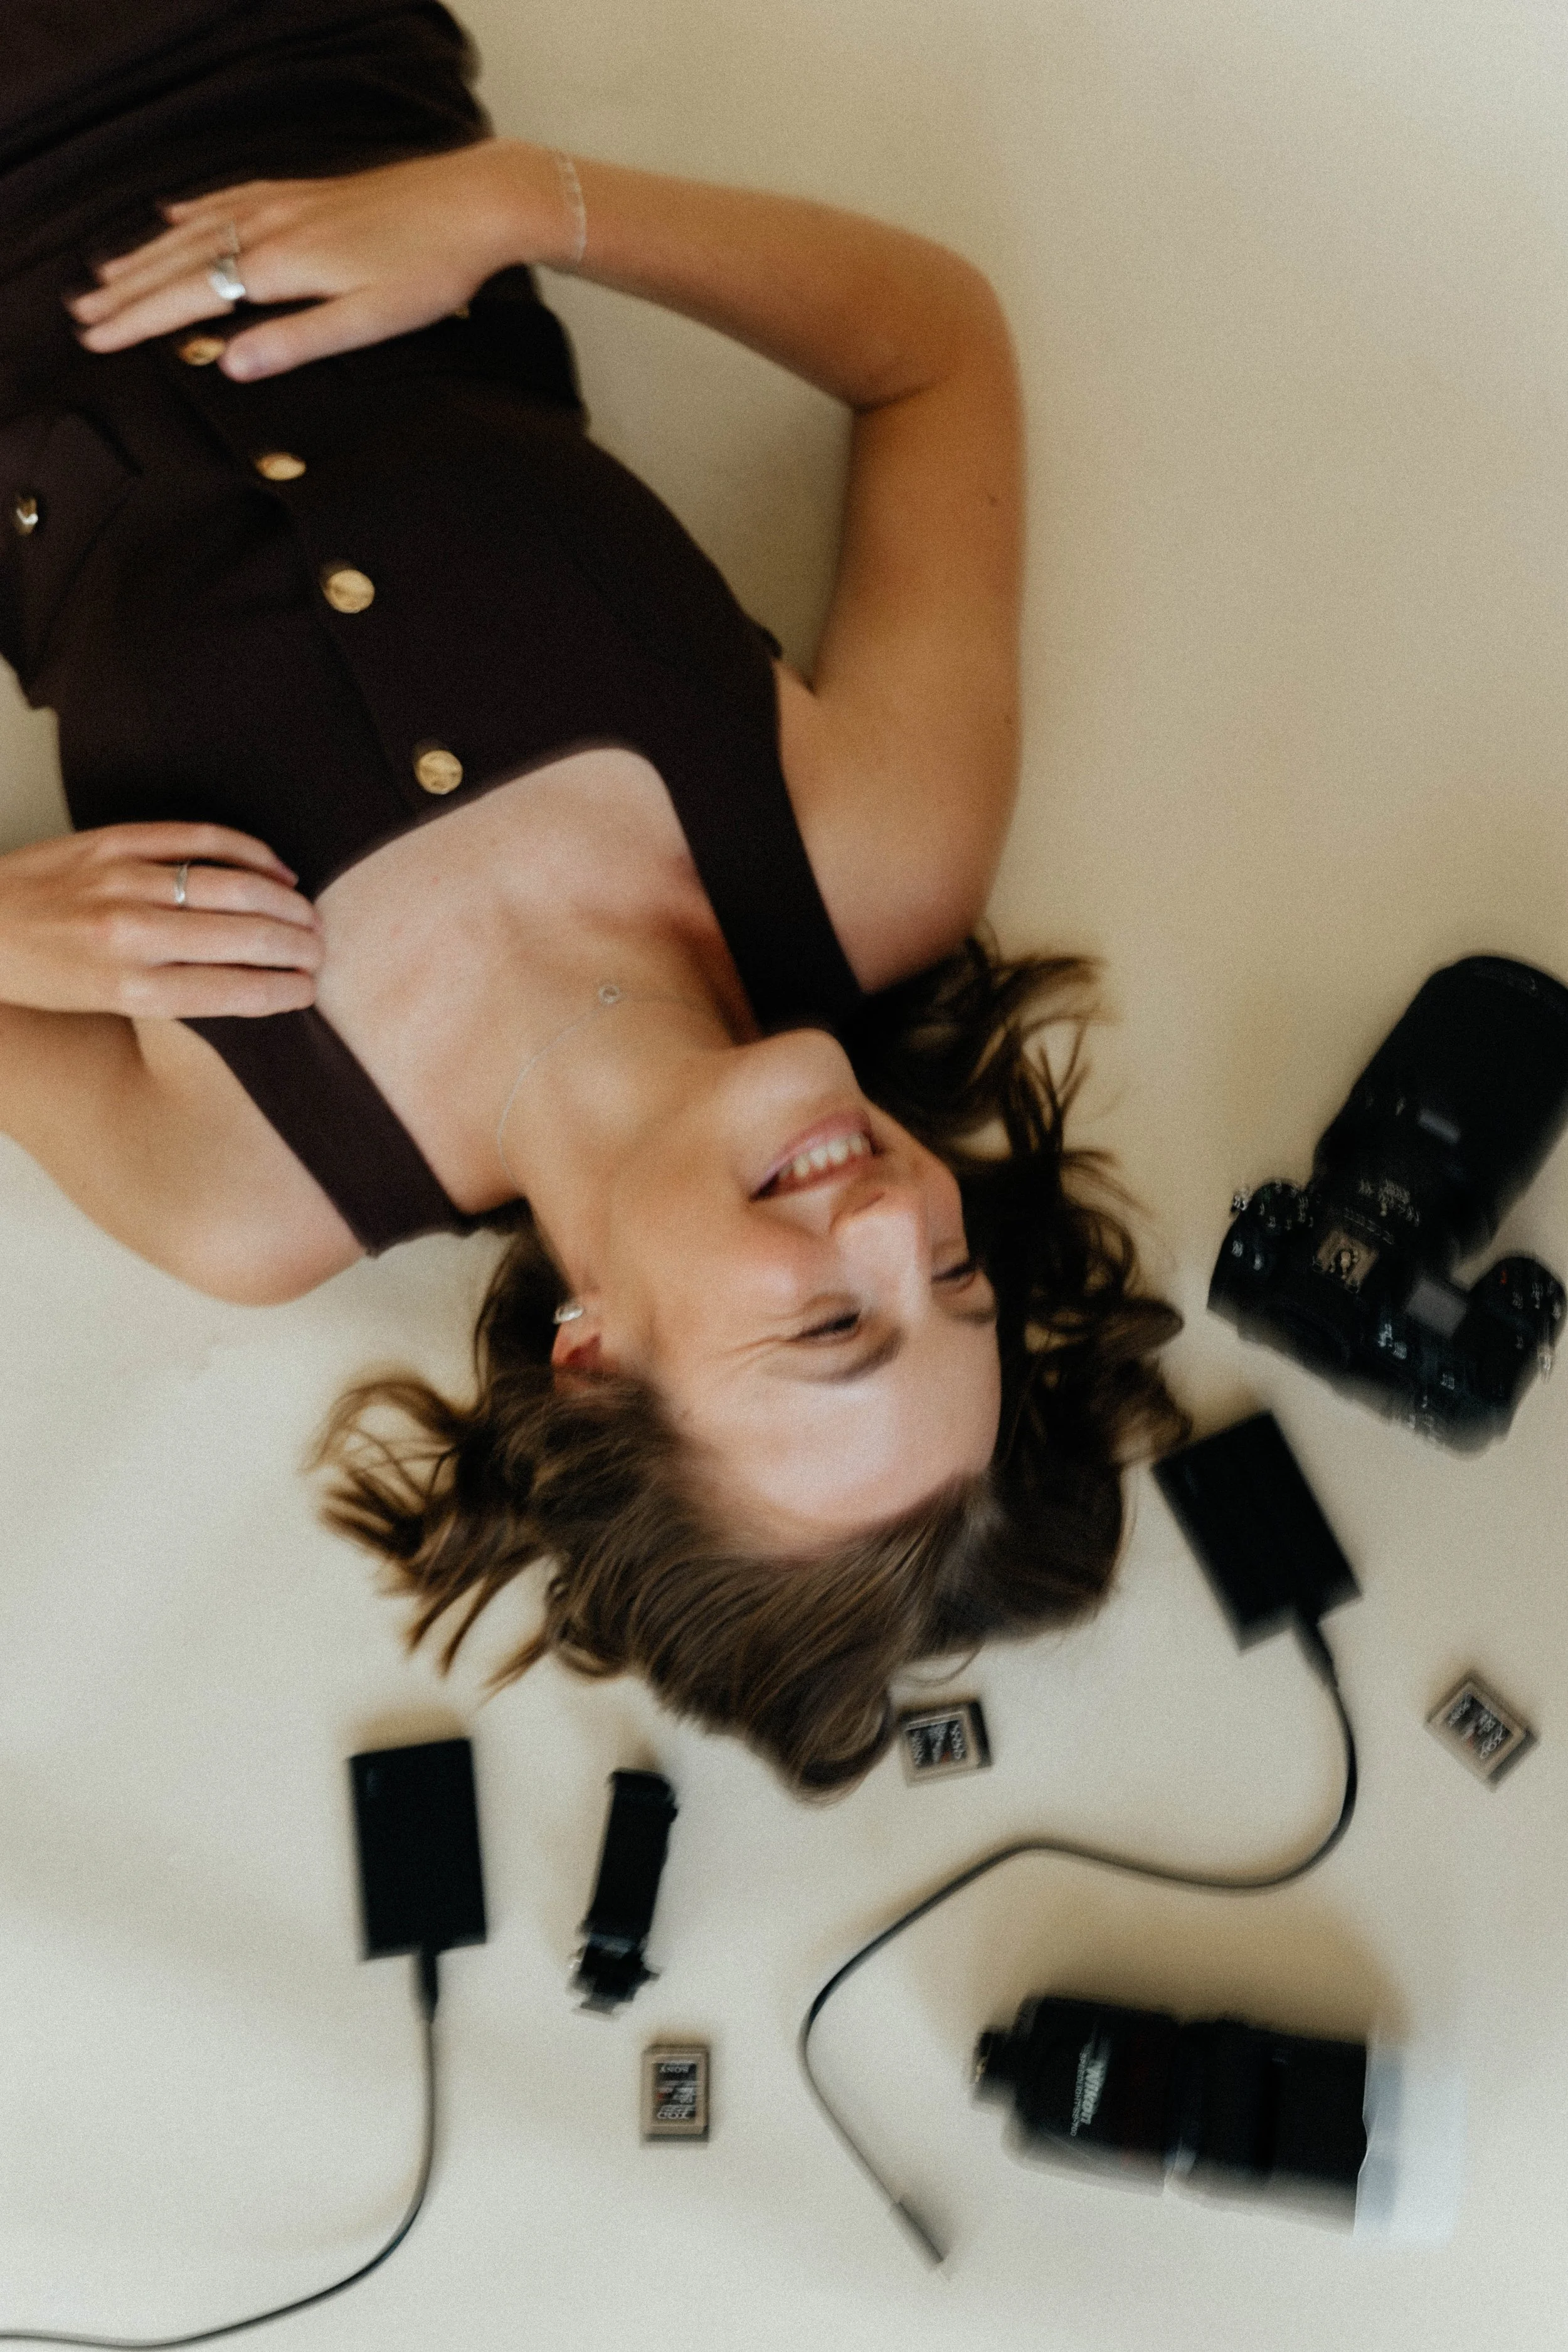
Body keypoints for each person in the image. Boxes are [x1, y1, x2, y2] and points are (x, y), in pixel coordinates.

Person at [0, 0, 1185, 1791]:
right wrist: (512, 208)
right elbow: (934, 351)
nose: (884, 1217)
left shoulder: (247, 1189)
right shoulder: (879, 847)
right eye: (951, 1273)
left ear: (592, 1357)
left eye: (826, 1323)